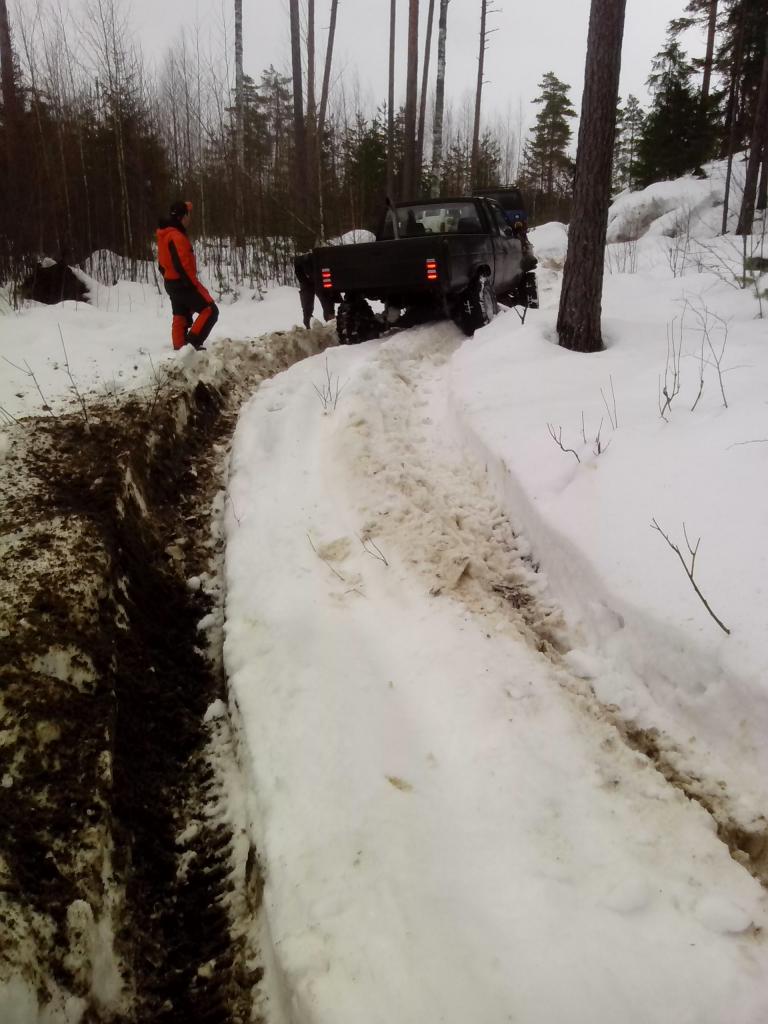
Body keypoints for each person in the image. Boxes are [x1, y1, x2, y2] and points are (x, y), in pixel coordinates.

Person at [156, 200, 219, 351]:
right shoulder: (176, 236)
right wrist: (192, 285)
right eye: (188, 214)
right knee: (210, 310)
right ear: (182, 217)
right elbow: (182, 265)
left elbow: (161, 264)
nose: (190, 218)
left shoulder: (165, 234)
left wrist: (169, 277)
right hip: (182, 283)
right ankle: (191, 346)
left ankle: (179, 347)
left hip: (171, 282)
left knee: (181, 313)